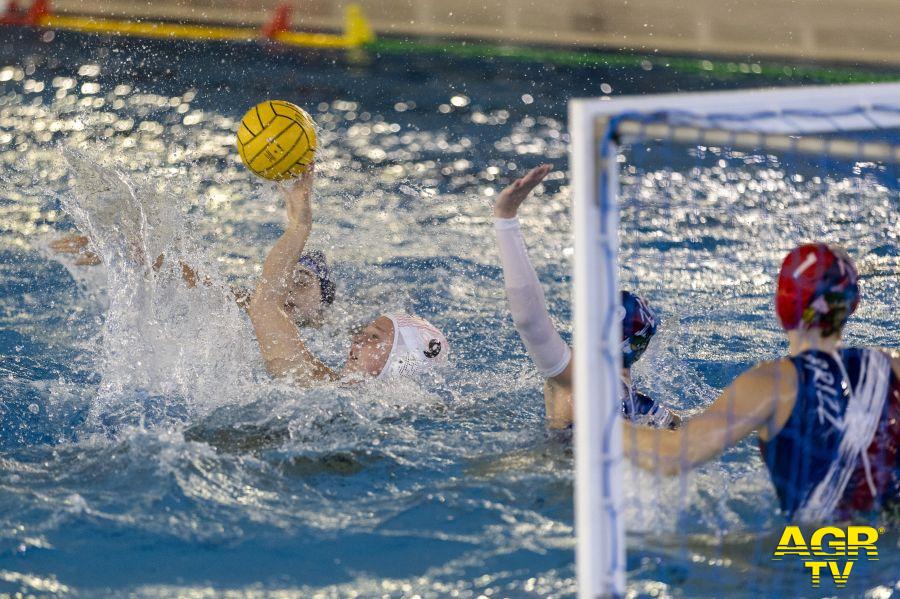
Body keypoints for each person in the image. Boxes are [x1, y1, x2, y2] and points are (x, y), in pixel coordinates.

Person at [623, 243, 900, 521]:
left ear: (783, 306)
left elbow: (675, 456)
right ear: (854, 304)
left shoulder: (771, 384)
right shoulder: (893, 366)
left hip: (816, 551)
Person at [492, 164, 681, 430]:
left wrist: (505, 216)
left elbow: (529, 321)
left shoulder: (579, 377)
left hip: (558, 465)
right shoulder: (651, 410)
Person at [248, 164, 450, 386]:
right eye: (366, 332)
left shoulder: (322, 387)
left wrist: (299, 228)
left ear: (400, 360)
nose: (356, 338)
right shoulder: (330, 387)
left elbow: (264, 306)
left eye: (374, 337)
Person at [50, 226, 336, 328]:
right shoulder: (253, 304)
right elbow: (188, 275)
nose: (285, 292)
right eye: (280, 282)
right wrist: (119, 250)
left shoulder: (342, 335)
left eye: (300, 282)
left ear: (324, 300)